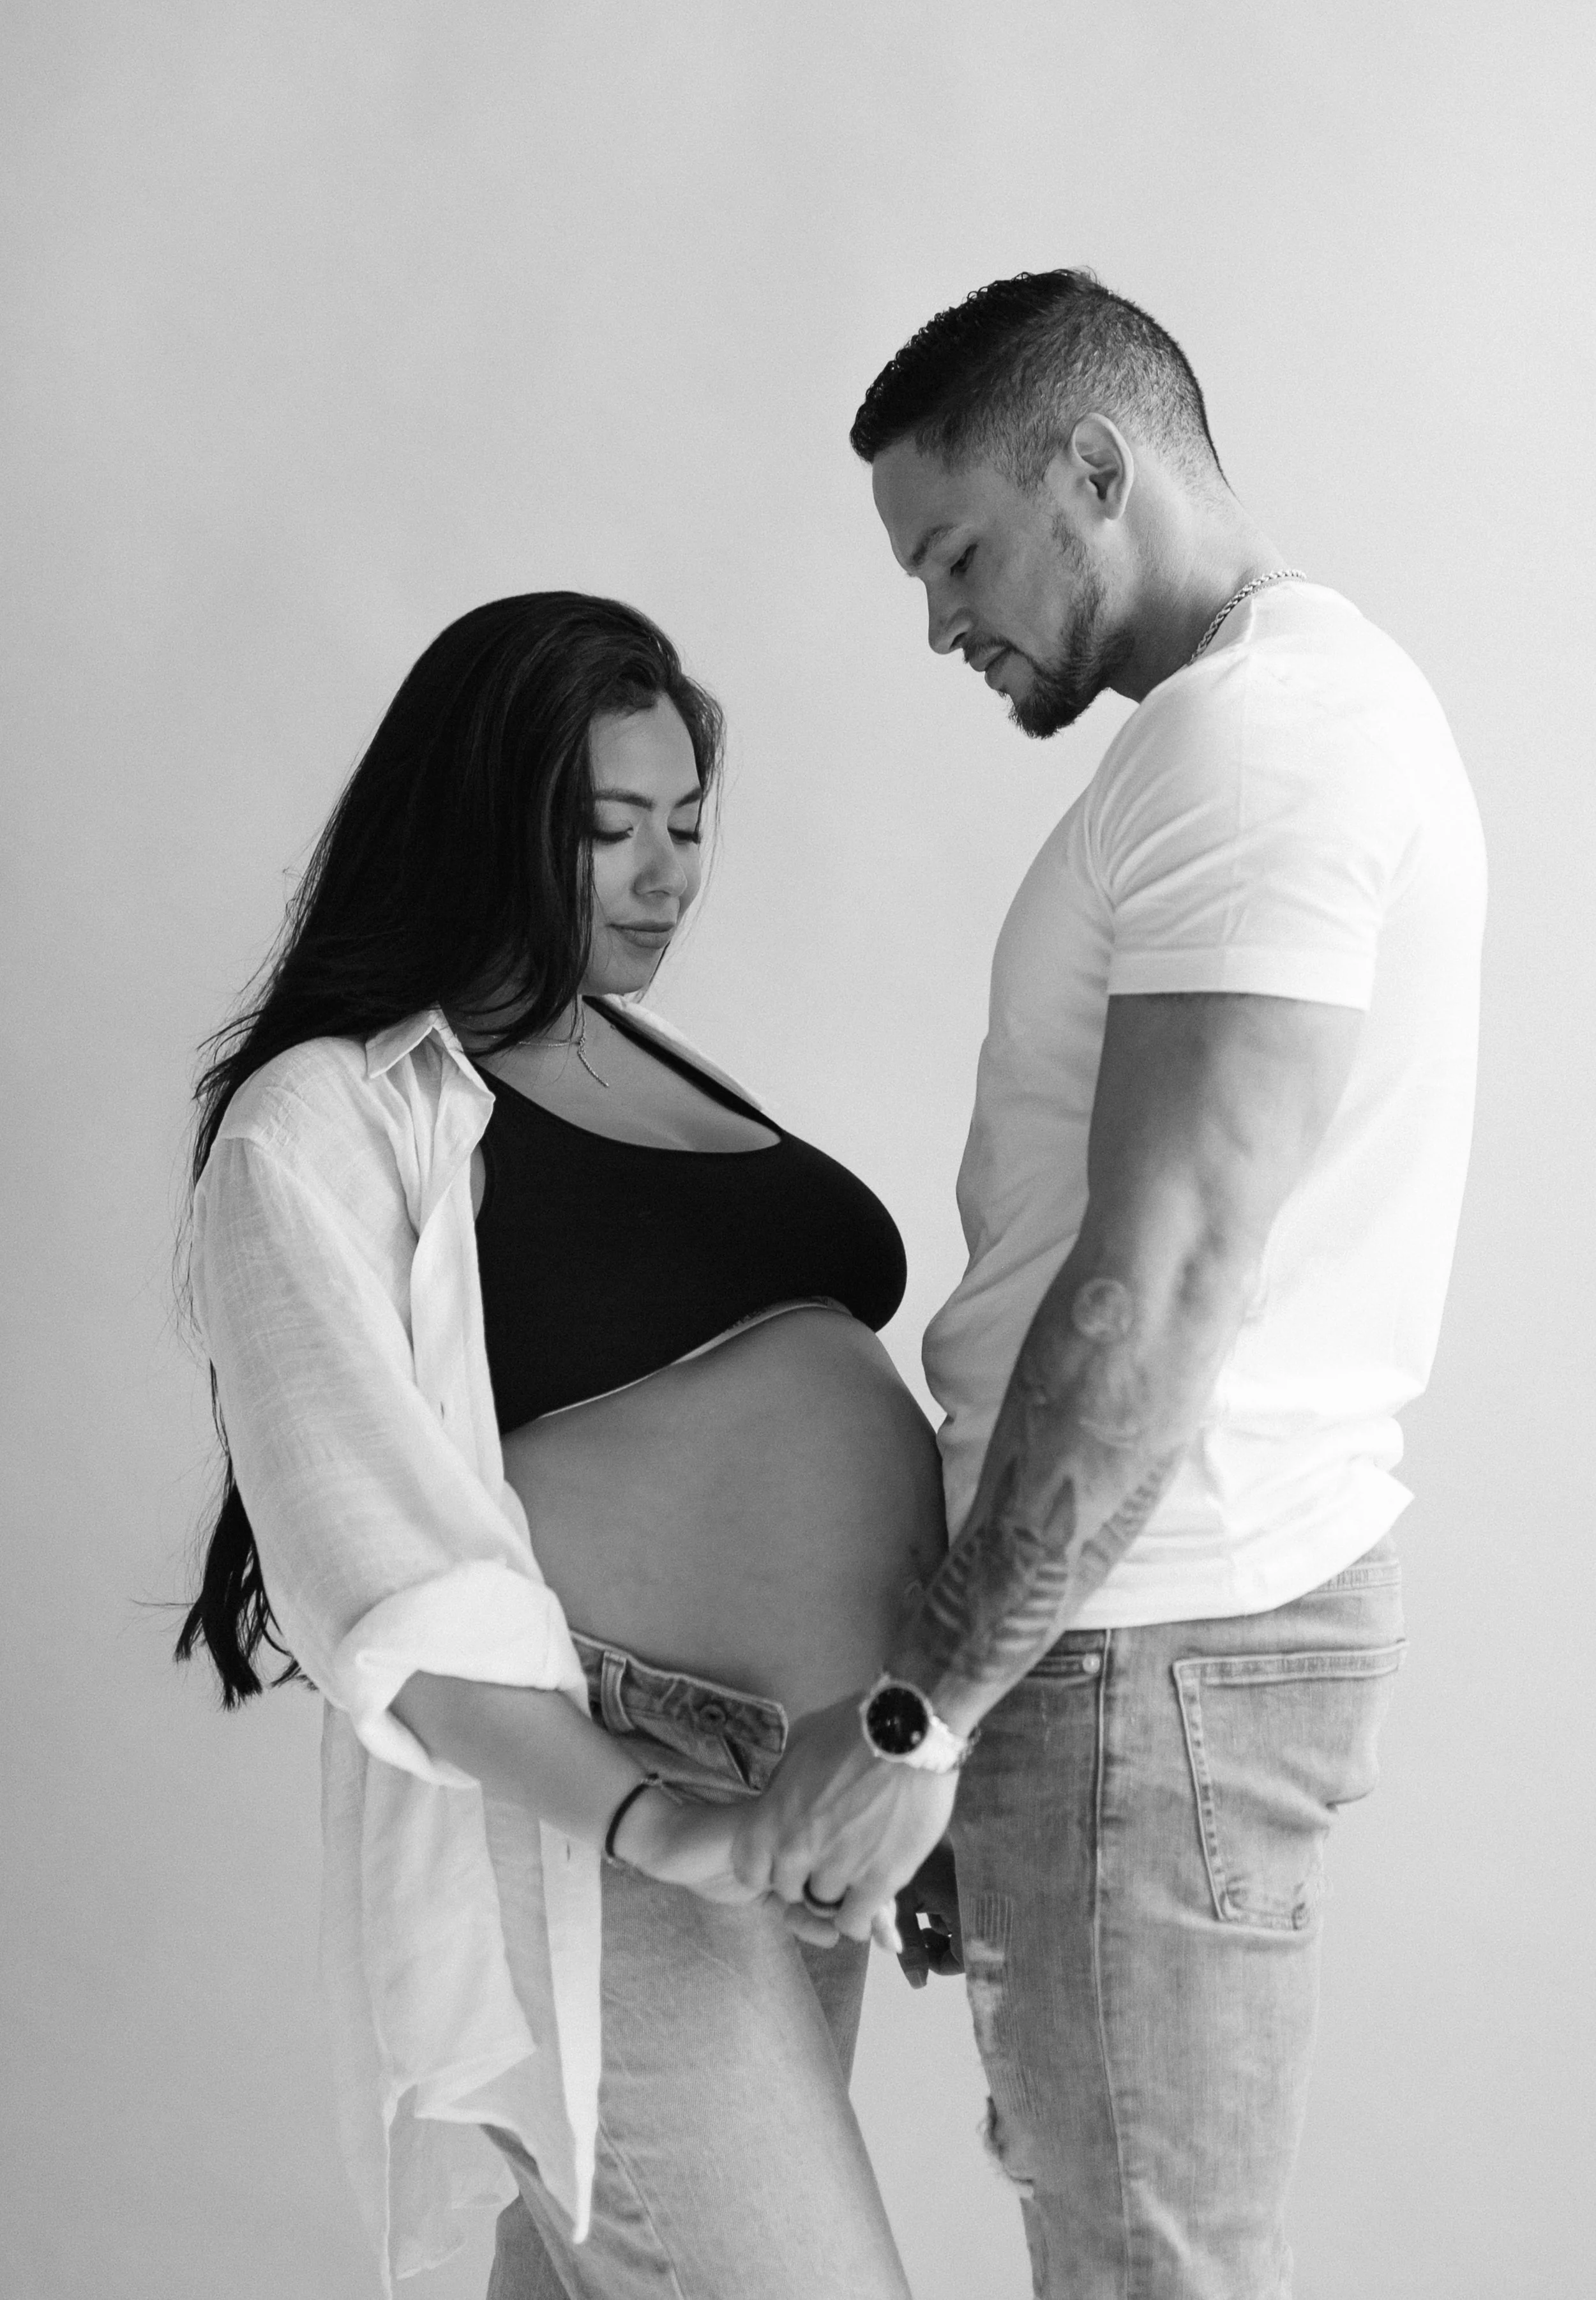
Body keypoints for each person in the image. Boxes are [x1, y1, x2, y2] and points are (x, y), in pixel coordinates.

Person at [741, 271, 1487, 2297]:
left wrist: (921, 1713)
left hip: (1148, 1642)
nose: (937, 620)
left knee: (1148, 2264)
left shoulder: (1261, 749)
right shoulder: (1255, 729)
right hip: (1132, 1640)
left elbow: (1152, 1295)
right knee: (1127, 2242)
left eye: (958, 551)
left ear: (1098, 466)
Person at [175, 592, 948, 2300]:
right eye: (609, 831)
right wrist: (652, 1825)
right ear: (481, 818)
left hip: (806, 1782)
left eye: (685, 825)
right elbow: (379, 1568)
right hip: (619, 1794)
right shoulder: (326, 1119)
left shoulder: (631, 1049)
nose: (665, 877)